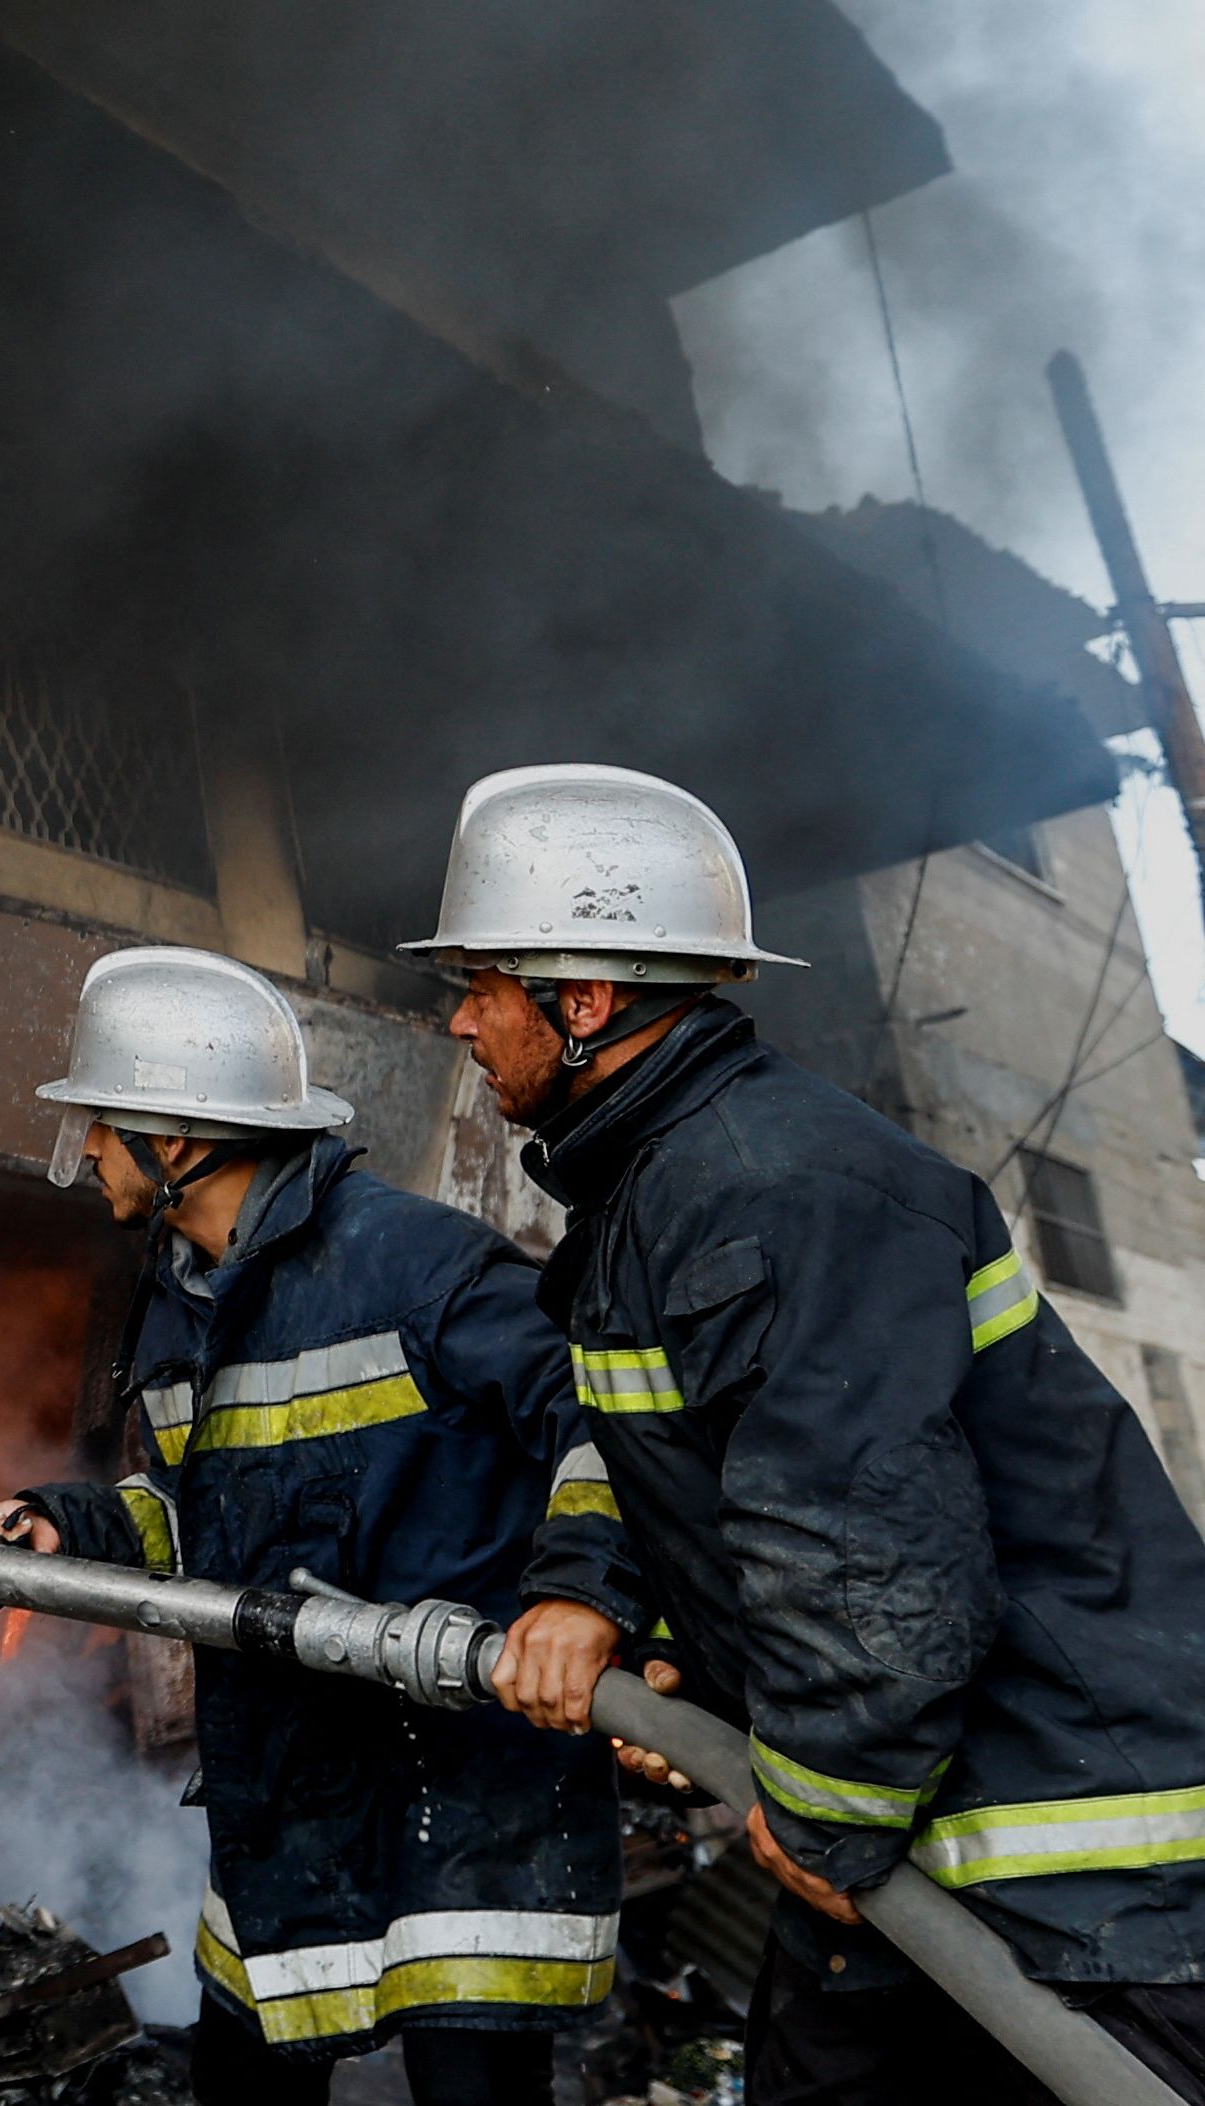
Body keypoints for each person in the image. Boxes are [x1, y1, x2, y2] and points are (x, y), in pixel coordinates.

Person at [407, 762, 1205, 2104]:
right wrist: (600, 1600)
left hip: (1071, 1864)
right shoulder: (658, 1190)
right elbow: (645, 1440)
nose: (464, 1024)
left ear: (583, 1001)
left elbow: (869, 1546)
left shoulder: (766, 1189)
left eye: (481, 986)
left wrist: (826, 1809)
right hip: (899, 1828)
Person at [0, 945, 643, 2106]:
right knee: (246, 2078)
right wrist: (63, 1530)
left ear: (177, 1143)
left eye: (103, 1130)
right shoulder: (180, 1297)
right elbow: (195, 1513)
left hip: (463, 1786)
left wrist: (576, 1601)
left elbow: (608, 1425)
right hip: (286, 1782)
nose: (90, 1159)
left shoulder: (416, 1263)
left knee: (472, 2082)